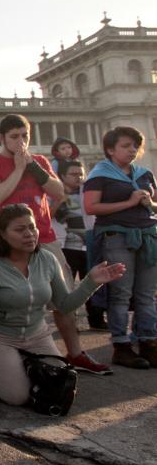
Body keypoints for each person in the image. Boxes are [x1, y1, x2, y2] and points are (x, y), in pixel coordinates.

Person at [0, 114, 110, 374]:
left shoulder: (38, 162)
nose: (20, 141)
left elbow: (59, 192)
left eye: (24, 136)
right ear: (1, 138)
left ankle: (75, 353)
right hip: (9, 242)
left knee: (63, 298)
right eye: (14, 136)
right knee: (4, 299)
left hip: (45, 238)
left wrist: (32, 168)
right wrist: (17, 168)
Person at [0, 205, 125, 406]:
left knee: (60, 383)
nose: (29, 234)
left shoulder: (47, 259)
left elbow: (64, 305)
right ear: (2, 234)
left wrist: (91, 282)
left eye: (32, 227)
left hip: (36, 334)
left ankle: (15, 364)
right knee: (18, 397)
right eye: (19, 229)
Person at [84, 126, 157, 369]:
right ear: (110, 149)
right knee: (121, 294)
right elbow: (91, 207)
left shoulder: (144, 173)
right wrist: (129, 202)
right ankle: (121, 345)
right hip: (117, 237)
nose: (132, 149)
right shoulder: (100, 173)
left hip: (147, 236)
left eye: (135, 145)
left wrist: (150, 202)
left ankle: (148, 342)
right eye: (126, 145)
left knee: (147, 294)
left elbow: (155, 207)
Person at [54, 160, 106, 330]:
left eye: (81, 174)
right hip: (65, 246)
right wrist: (59, 199)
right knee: (66, 286)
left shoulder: (89, 193)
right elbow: (51, 215)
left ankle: (96, 319)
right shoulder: (54, 193)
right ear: (62, 176)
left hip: (89, 245)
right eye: (74, 174)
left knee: (92, 283)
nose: (79, 177)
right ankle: (70, 322)